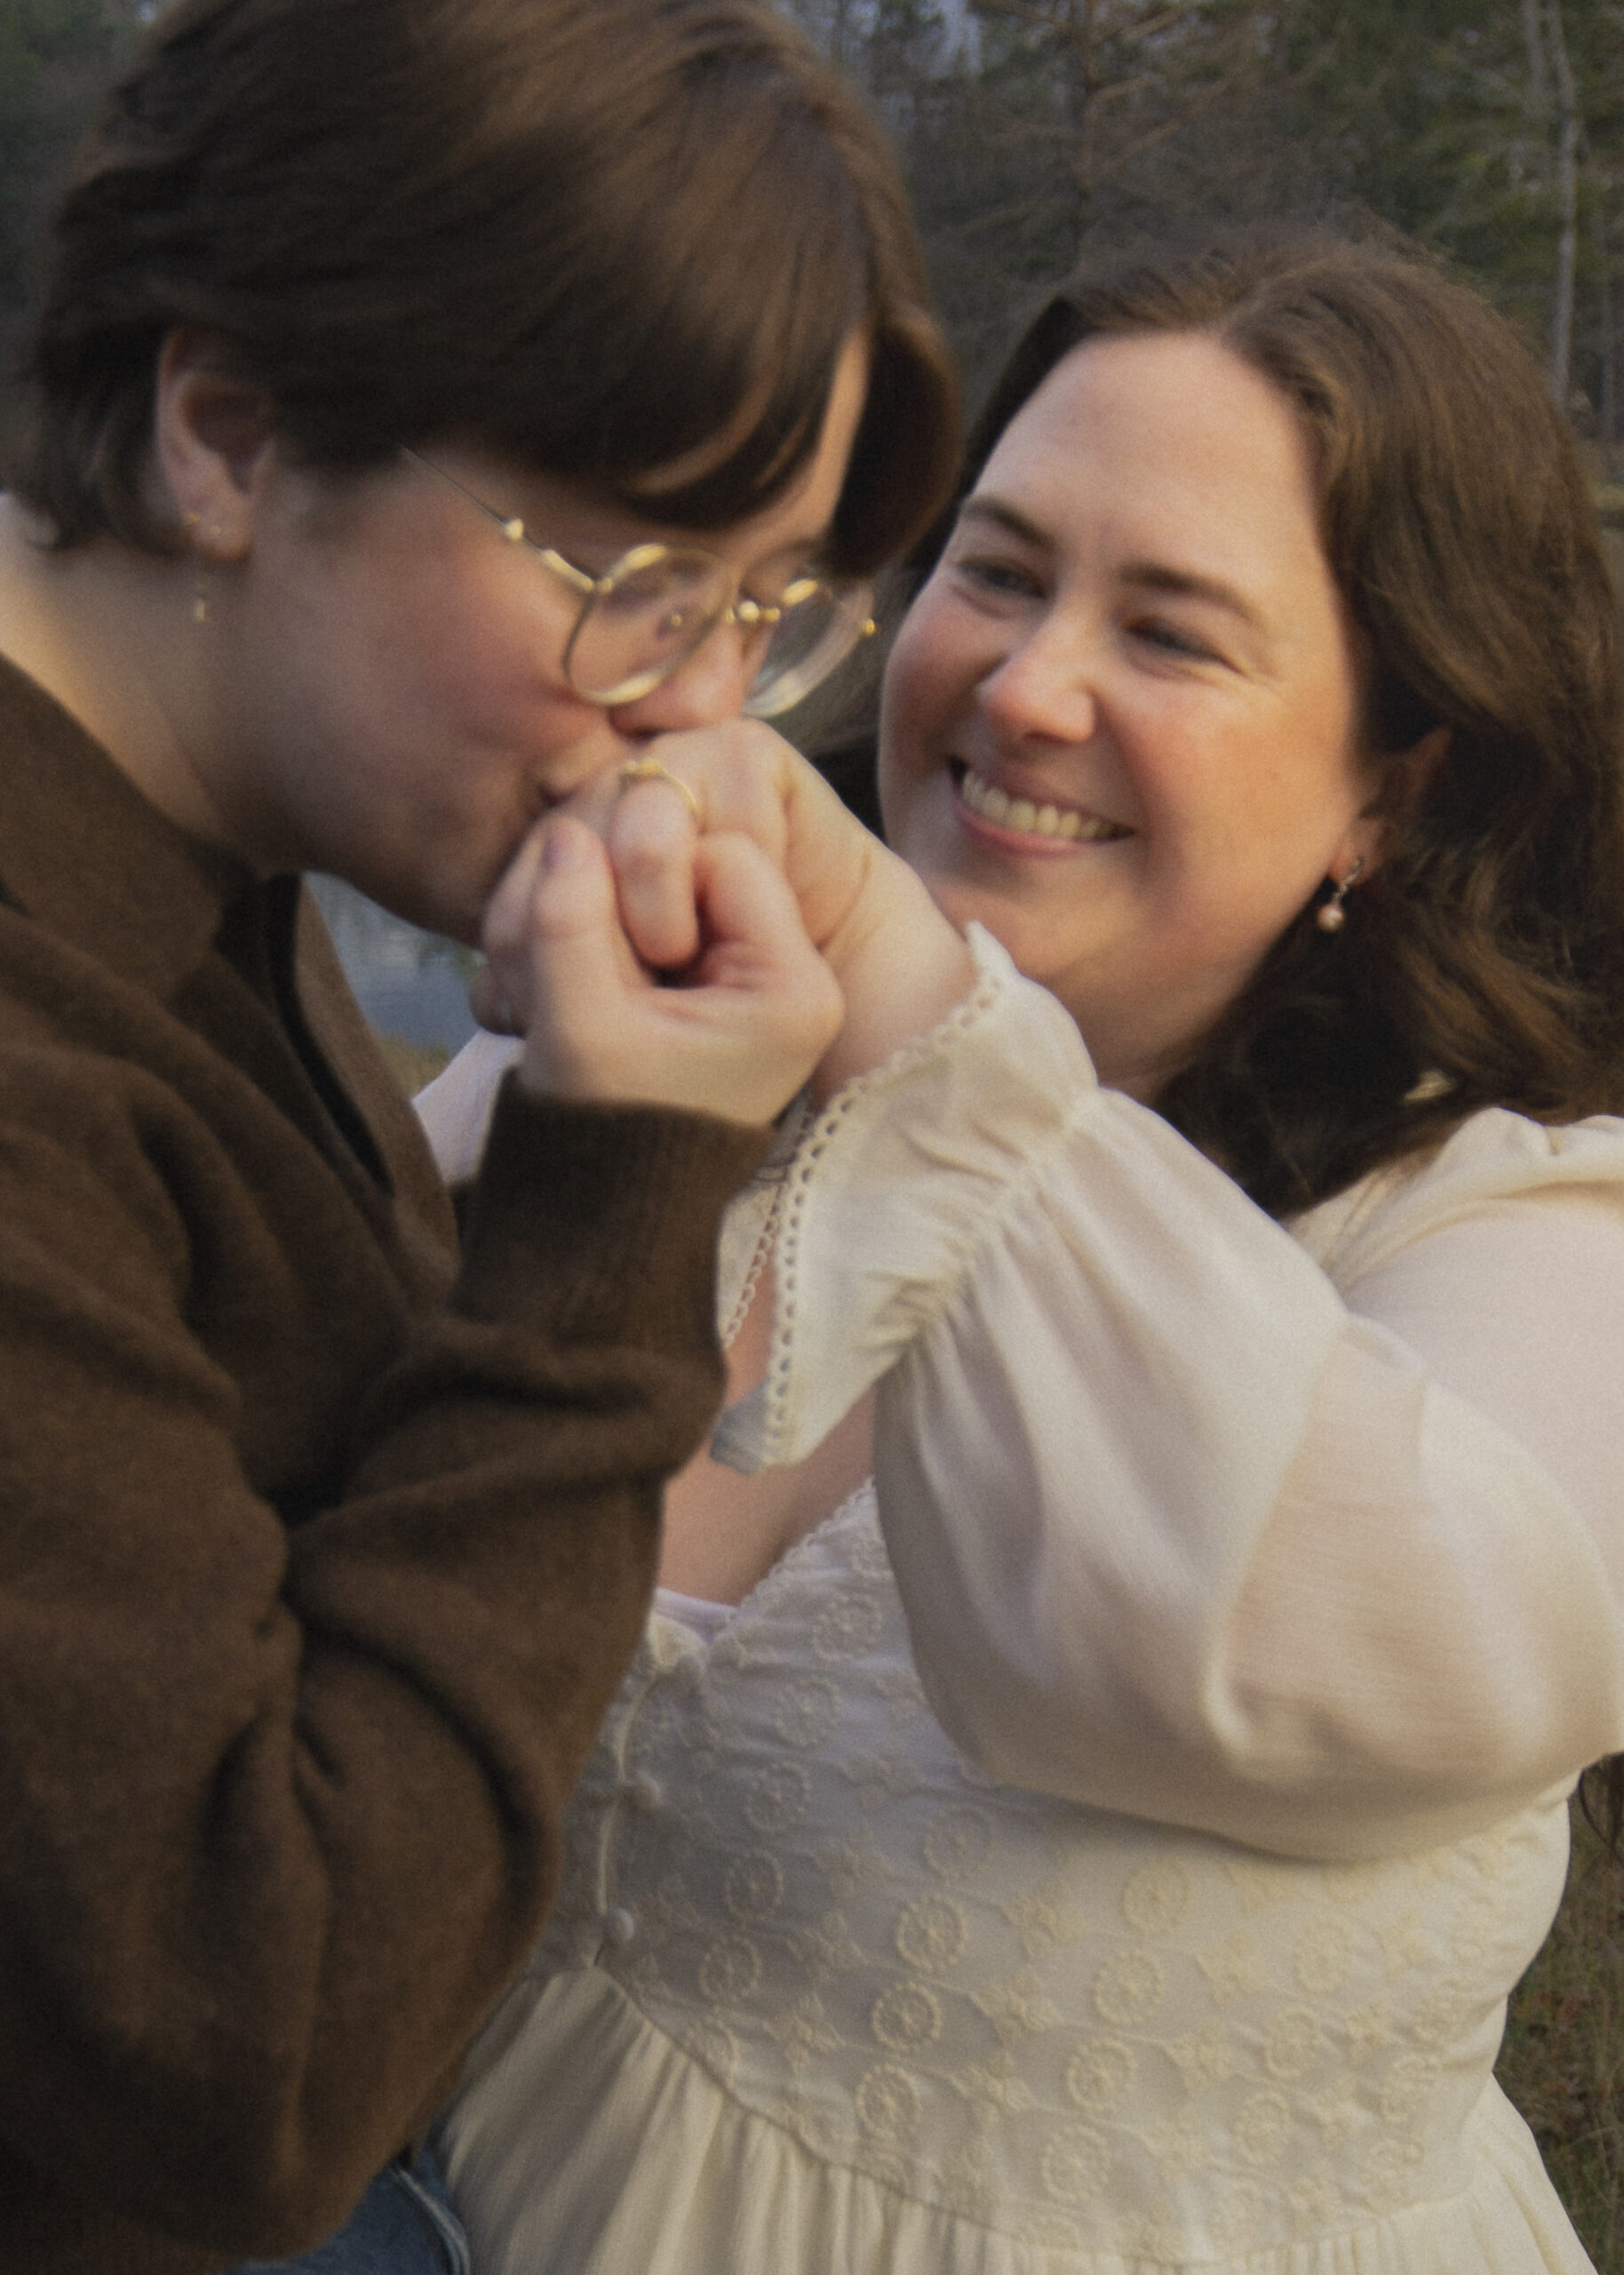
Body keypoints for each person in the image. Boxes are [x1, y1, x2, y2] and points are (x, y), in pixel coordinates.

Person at [418, 230, 1624, 2275]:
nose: (1023, 682)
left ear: (1388, 789)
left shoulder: (1525, 1236)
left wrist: (917, 1003)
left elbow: (1324, 1633)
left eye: (1167, 630)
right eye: (996, 568)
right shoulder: (690, 1055)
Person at [0, 0, 959, 2265]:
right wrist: (607, 1194)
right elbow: (245, 2064)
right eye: (630, 577)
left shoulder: (193, 845)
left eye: (759, 606)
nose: (704, 704)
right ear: (228, 432)